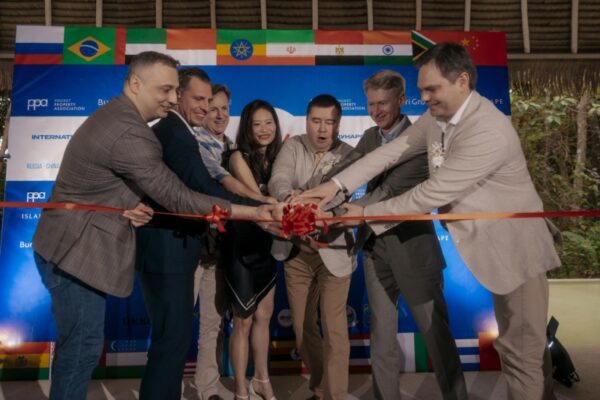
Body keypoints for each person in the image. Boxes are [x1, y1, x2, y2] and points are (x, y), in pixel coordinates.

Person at [301, 43, 561, 400]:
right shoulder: (436, 118)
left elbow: (430, 193)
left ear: (462, 81)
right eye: (421, 89)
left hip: (517, 249)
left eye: (431, 89)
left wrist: (363, 213)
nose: (423, 97)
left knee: (521, 354)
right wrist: (334, 185)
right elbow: (391, 151)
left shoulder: (487, 129)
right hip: (490, 248)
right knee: (527, 352)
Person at [31, 51, 270, 400]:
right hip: (74, 251)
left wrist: (127, 205)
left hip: (73, 246)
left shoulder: (123, 118)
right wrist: (256, 213)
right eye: (166, 90)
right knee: (82, 349)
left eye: (175, 90)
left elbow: (102, 183)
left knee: (83, 348)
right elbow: (178, 196)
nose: (172, 98)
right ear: (135, 84)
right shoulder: (130, 131)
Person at [322, 70, 467, 400]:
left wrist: (338, 214)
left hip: (413, 249)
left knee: (436, 335)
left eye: (383, 103)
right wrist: (315, 198)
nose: (376, 111)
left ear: (401, 100)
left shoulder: (423, 138)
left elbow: (388, 191)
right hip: (375, 248)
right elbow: (346, 174)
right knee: (382, 334)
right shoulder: (370, 137)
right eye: (371, 104)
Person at [135, 69, 267, 400]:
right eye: (200, 100)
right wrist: (260, 210)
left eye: (212, 102)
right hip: (172, 245)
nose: (208, 108)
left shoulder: (196, 136)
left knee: (193, 330)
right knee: (172, 337)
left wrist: (260, 207)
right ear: (178, 95)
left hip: (202, 247)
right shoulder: (179, 135)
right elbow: (205, 186)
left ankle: (205, 389)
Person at [268, 94, 355, 400]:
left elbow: (341, 196)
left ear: (338, 125)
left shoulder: (350, 154)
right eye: (316, 121)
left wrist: (304, 198)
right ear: (306, 121)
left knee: (334, 330)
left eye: (329, 122)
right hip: (297, 253)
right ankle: (319, 387)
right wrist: (286, 196)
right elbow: (279, 178)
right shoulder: (293, 146)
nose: (322, 129)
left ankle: (334, 395)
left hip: (335, 251)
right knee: (303, 330)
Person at [191, 84, 271, 400]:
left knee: (212, 325)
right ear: (201, 110)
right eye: (212, 108)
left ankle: (208, 389)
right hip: (192, 245)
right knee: (176, 325)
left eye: (224, 108)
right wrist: (262, 202)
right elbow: (226, 182)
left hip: (222, 248)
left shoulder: (232, 147)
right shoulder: (194, 143)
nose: (219, 114)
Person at [222, 99, 282, 400]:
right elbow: (256, 197)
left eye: (269, 122)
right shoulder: (236, 157)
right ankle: (241, 388)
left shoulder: (279, 158)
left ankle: (262, 380)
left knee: (264, 316)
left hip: (268, 245)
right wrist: (281, 202)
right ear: (247, 127)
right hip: (241, 245)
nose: (264, 129)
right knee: (243, 320)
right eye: (256, 124)